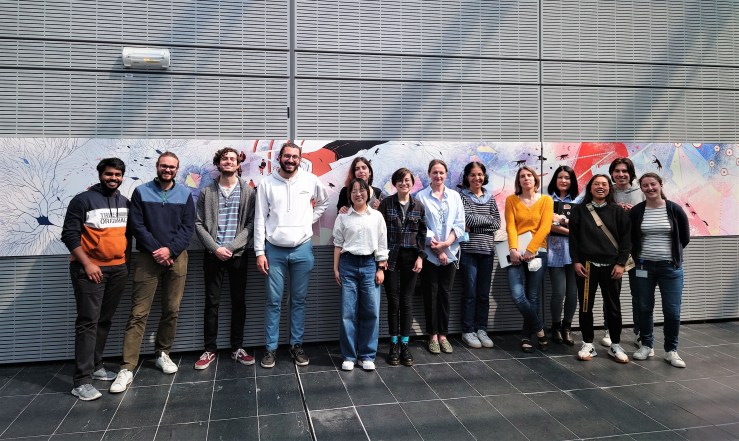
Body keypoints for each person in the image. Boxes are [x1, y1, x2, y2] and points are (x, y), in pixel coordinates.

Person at [111, 152, 196, 393]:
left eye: (172, 167)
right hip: (148, 258)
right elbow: (136, 225)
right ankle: (127, 367)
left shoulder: (185, 194)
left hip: (177, 257)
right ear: (157, 166)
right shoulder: (141, 191)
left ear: (177, 170)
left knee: (172, 309)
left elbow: (188, 227)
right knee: (138, 312)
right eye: (164, 166)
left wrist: (170, 250)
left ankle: (162, 353)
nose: (167, 170)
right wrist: (157, 250)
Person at [254, 141, 329, 368]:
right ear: (279, 158)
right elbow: (260, 218)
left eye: (295, 157)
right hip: (274, 250)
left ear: (300, 159)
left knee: (299, 300)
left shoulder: (310, 180)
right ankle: (271, 348)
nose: (291, 160)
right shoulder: (266, 183)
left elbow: (323, 202)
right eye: (287, 156)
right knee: (273, 301)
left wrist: (307, 221)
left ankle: (296, 345)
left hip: (302, 248)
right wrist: (259, 252)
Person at [61, 158, 130, 401]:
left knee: (104, 320)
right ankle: (81, 381)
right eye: (109, 174)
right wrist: (88, 263)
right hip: (90, 270)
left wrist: (125, 264)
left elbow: (128, 235)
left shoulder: (124, 202)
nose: (113, 178)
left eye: (118, 174)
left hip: (117, 269)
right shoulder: (83, 200)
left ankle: (96, 365)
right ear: (100, 174)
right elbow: (69, 235)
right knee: (88, 322)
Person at [193, 147, 256, 370]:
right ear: (218, 163)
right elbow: (198, 223)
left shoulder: (248, 191)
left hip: (237, 255)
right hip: (213, 255)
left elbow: (251, 224)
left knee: (238, 302)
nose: (228, 162)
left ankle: (237, 347)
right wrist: (215, 248)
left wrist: (230, 247)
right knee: (212, 303)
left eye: (232, 159)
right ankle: (210, 349)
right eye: (224, 159)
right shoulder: (207, 191)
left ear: (238, 164)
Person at [630, 173, 690, 368]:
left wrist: (670, 256)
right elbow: (631, 237)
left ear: (660, 185)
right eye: (645, 185)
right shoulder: (637, 211)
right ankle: (646, 345)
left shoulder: (674, 209)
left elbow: (684, 237)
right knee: (644, 307)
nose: (650, 188)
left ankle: (671, 350)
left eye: (653, 184)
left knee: (672, 311)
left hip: (670, 268)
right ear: (641, 188)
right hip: (643, 266)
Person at [569, 174, 631, 363]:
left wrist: (621, 264)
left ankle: (615, 344)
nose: (600, 187)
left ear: (609, 188)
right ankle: (587, 343)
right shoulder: (579, 210)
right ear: (590, 188)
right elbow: (574, 239)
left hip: (612, 267)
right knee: (585, 306)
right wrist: (576, 261)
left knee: (613, 307)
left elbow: (626, 239)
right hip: (586, 266)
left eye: (604, 184)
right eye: (596, 184)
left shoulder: (618, 211)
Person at [333, 178, 389, 371]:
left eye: (362, 190)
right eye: (354, 190)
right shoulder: (343, 217)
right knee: (348, 313)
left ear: (368, 193)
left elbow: (382, 243)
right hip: (348, 265)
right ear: (349, 195)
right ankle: (349, 355)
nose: (358, 194)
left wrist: (381, 268)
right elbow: (338, 244)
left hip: (370, 265)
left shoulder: (376, 216)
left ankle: (366, 355)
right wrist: (336, 268)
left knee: (371, 312)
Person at [377, 168, 427, 366]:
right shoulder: (386, 203)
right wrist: (381, 259)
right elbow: (380, 233)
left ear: (412, 183)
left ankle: (405, 344)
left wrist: (421, 257)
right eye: (400, 180)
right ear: (394, 183)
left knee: (406, 302)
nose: (403, 183)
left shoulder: (419, 206)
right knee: (393, 302)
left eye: (407, 180)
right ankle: (393, 344)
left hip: (411, 259)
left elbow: (422, 234)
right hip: (391, 259)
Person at [416, 159, 465, 354]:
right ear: (429, 174)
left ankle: (444, 335)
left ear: (446, 174)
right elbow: (421, 226)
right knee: (431, 294)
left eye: (441, 172)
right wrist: (438, 249)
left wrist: (446, 245)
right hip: (429, 254)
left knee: (445, 294)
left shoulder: (455, 196)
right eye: (434, 172)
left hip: (450, 253)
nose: (438, 176)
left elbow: (460, 225)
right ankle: (433, 335)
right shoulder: (421, 196)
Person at [504, 166, 553, 353]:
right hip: (515, 252)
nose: (526, 179)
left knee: (533, 296)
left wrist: (531, 249)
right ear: (519, 181)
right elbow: (511, 226)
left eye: (529, 175)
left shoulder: (546, 200)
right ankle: (540, 331)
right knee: (518, 295)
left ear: (535, 179)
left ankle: (526, 337)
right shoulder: (511, 200)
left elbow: (545, 227)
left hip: (538, 251)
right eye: (522, 176)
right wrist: (513, 249)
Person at [600, 157, 645, 347]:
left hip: (637, 250)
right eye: (617, 171)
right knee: (611, 293)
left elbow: (649, 215)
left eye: (624, 171)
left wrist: (634, 212)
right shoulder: (606, 191)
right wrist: (615, 210)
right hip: (612, 250)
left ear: (631, 173)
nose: (620, 174)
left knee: (639, 292)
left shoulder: (641, 192)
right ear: (611, 173)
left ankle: (640, 332)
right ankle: (610, 329)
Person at [458, 162, 500, 349]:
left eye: (480, 174)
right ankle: (468, 330)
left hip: (487, 251)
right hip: (468, 251)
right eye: (473, 175)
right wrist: (485, 222)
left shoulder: (490, 197)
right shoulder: (462, 196)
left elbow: (497, 223)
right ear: (467, 177)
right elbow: (467, 219)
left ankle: (481, 328)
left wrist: (476, 226)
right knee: (470, 293)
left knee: (483, 294)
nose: (477, 178)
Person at [545, 166, 579, 346]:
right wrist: (572, 230)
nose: (564, 181)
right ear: (555, 179)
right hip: (555, 250)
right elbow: (548, 226)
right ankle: (556, 327)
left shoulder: (579, 201)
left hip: (576, 252)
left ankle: (567, 328)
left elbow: (583, 225)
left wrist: (562, 222)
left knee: (573, 293)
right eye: (560, 177)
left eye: (567, 178)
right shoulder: (547, 200)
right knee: (559, 292)